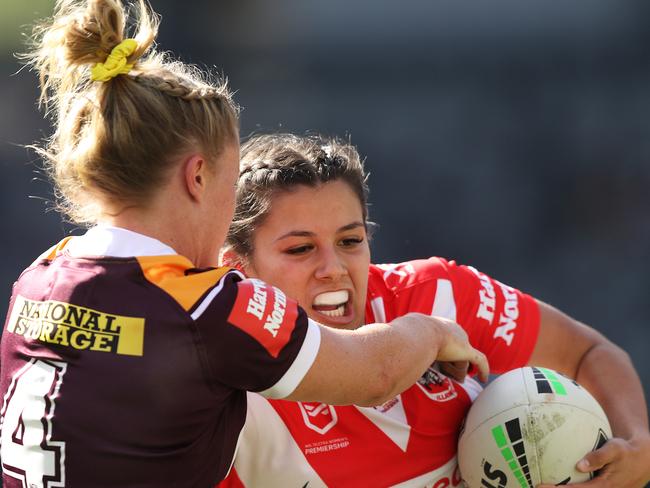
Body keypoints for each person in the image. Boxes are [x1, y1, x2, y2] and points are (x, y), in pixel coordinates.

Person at [0, 2, 489, 486]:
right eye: (231, 184)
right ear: (196, 177)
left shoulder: (38, 279)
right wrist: (429, 331)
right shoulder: (205, 306)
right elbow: (377, 374)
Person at [219, 133, 650, 488]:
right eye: (300, 249)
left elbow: (589, 353)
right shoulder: (225, 389)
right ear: (237, 267)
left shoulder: (436, 293)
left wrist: (638, 444)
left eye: (350, 241)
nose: (333, 269)